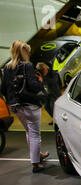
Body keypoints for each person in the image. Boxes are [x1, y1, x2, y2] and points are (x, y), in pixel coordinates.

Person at [0, 40, 49, 173]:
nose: (29, 53)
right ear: (24, 52)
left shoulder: (6, 68)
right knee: (35, 134)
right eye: (27, 50)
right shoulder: (27, 66)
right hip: (30, 105)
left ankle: (37, 155)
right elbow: (34, 87)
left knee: (29, 132)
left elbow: (3, 89)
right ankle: (36, 163)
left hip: (16, 106)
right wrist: (40, 81)